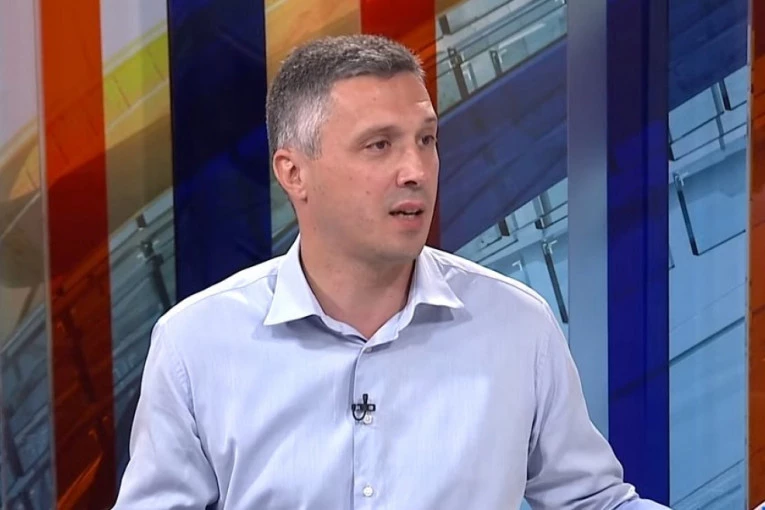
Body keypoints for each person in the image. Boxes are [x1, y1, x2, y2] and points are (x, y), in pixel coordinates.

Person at [113, 34, 670, 510]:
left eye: (426, 140)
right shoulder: (197, 345)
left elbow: (592, 502)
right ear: (294, 173)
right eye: (379, 145)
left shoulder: (516, 325)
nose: (416, 170)